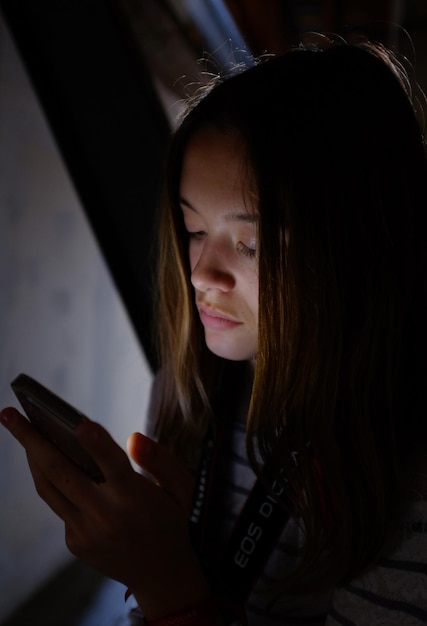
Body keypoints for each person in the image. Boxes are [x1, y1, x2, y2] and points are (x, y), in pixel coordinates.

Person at [1, 32, 427, 625]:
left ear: (360, 251)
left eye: (250, 244)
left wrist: (165, 581)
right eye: (194, 231)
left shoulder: (404, 477)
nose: (201, 275)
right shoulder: (193, 386)